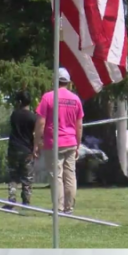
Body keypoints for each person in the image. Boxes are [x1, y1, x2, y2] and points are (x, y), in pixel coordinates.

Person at [34, 67, 84, 214]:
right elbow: (79, 125)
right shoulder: (75, 99)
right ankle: (69, 207)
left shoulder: (48, 97)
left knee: (56, 176)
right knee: (70, 176)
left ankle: (58, 207)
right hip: (71, 142)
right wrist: (78, 145)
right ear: (68, 82)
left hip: (54, 143)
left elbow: (41, 122)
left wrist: (37, 142)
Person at [3, 90, 38, 210]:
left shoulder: (14, 115)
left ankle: (12, 198)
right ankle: (26, 201)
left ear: (19, 102)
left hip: (13, 148)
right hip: (26, 149)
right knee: (27, 177)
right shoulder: (33, 117)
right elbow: (34, 133)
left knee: (13, 176)